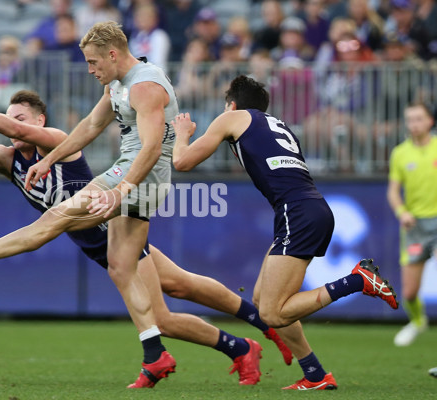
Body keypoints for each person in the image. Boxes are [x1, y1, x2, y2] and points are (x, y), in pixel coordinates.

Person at [0, 23, 280, 388]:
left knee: (58, 218)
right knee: (135, 275)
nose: (90, 69)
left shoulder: (145, 85)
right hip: (132, 175)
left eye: (93, 62)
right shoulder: (117, 85)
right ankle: (164, 354)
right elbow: (91, 124)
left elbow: (152, 147)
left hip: (139, 175)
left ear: (112, 53)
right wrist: (48, 160)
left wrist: (120, 189)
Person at [171, 74, 400, 390]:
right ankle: (316, 374)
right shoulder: (276, 125)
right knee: (262, 299)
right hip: (306, 209)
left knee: (273, 313)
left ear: (232, 105)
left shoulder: (233, 117)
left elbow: (181, 161)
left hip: (298, 213)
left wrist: (182, 133)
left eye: (226, 107)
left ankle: (357, 280)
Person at [387, 102, 436, 347]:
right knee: (409, 293)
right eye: (410, 119)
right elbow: (393, 191)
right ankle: (418, 321)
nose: (414, 124)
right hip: (414, 225)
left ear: (430, 121)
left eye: (419, 118)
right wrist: (402, 211)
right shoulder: (400, 153)